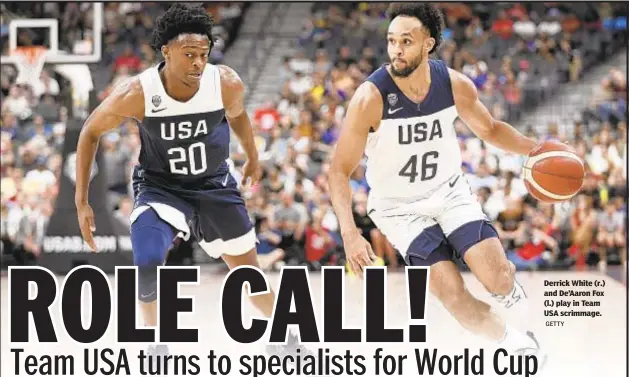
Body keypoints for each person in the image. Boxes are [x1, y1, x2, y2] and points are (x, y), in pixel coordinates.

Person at [74, 4, 307, 357]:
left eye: (203, 54)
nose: (198, 62)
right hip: (161, 189)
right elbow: (90, 131)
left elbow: (239, 116)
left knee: (247, 272)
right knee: (147, 264)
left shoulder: (224, 82)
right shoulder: (139, 92)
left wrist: (253, 157)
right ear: (166, 51)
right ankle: (158, 341)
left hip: (214, 188)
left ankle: (287, 335)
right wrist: (81, 200)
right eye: (189, 54)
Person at [328, 3, 548, 363]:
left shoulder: (453, 84)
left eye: (406, 42)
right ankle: (516, 344)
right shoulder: (371, 97)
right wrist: (351, 234)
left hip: (449, 192)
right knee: (452, 295)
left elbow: (490, 129)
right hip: (398, 209)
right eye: (391, 41)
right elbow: (338, 170)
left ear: (428, 44)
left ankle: (534, 329)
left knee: (498, 275)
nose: (396, 50)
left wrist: (536, 149)